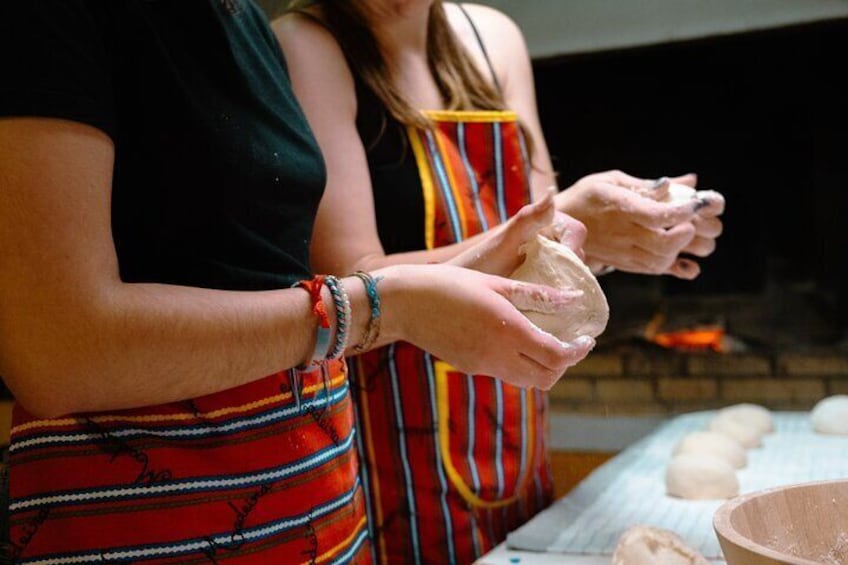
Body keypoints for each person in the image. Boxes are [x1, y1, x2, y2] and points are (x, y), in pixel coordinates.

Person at [0, 1, 597, 562]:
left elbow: (268, 275)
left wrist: (519, 246)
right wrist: (384, 308)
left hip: (318, 508)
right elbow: (57, 349)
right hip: (156, 521)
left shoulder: (243, 23)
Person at [273, 1, 725, 563]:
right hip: (391, 428)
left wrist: (609, 236)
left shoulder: (495, 39)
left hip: (509, 412)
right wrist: (559, 214)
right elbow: (351, 279)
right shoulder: (308, 45)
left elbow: (541, 235)